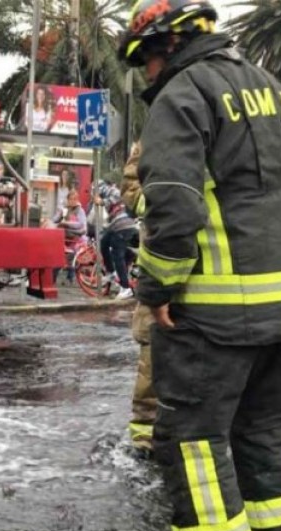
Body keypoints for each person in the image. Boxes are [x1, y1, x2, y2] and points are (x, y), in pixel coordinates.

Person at [118, 2, 281, 531]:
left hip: (211, 316)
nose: (146, 75)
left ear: (166, 47)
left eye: (146, 60)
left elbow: (173, 200)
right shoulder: (274, 92)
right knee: (263, 435)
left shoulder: (183, 96)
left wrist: (158, 287)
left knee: (192, 440)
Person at [121, 141, 156, 455]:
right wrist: (161, 203)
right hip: (158, 266)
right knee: (153, 357)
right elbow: (131, 190)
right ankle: (144, 437)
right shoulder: (154, 136)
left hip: (209, 273)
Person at [94, 180, 137, 300]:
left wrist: (102, 201)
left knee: (118, 255)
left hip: (123, 226)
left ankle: (125, 288)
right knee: (103, 243)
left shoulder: (112, 190)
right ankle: (111, 272)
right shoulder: (106, 193)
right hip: (116, 226)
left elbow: (116, 195)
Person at [50, 188, 87, 284]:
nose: (72, 201)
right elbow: (55, 220)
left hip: (76, 239)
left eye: (75, 199)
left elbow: (81, 225)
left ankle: (68, 277)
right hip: (65, 238)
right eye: (71, 199)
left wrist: (66, 223)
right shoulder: (65, 209)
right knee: (58, 256)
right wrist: (58, 215)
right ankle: (63, 278)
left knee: (65, 258)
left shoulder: (80, 210)